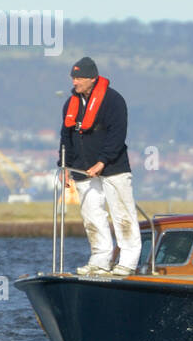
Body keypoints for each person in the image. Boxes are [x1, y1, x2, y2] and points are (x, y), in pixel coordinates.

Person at [59, 57, 141, 277]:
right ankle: (100, 259)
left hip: (114, 168)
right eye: (73, 77)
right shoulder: (71, 103)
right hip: (81, 170)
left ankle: (128, 261)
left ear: (92, 79)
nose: (74, 82)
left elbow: (117, 135)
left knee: (122, 214)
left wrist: (102, 161)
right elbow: (65, 136)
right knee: (92, 217)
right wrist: (64, 166)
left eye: (78, 78)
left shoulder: (114, 101)